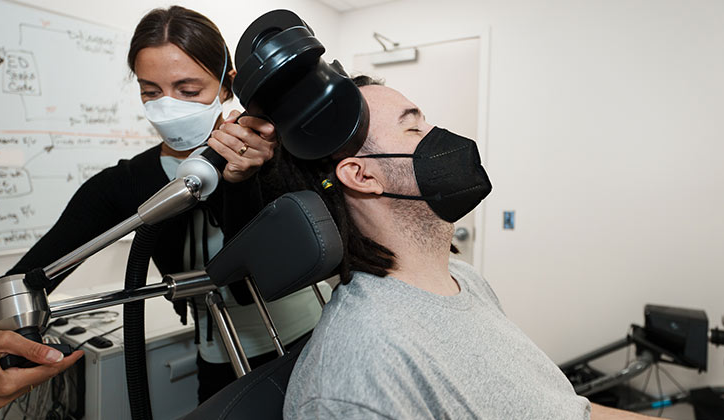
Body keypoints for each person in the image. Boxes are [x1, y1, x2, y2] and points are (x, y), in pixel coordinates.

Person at [0, 5, 323, 410]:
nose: (168, 106)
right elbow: (29, 278)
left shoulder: (269, 153)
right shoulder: (124, 184)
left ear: (225, 85)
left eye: (188, 90)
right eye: (151, 91)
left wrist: (252, 176)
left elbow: (262, 256)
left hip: (307, 334)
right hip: (217, 352)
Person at [278, 76, 659, 419]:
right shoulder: (362, 369)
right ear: (362, 175)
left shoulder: (463, 279)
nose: (439, 135)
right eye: (413, 128)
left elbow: (568, 410)